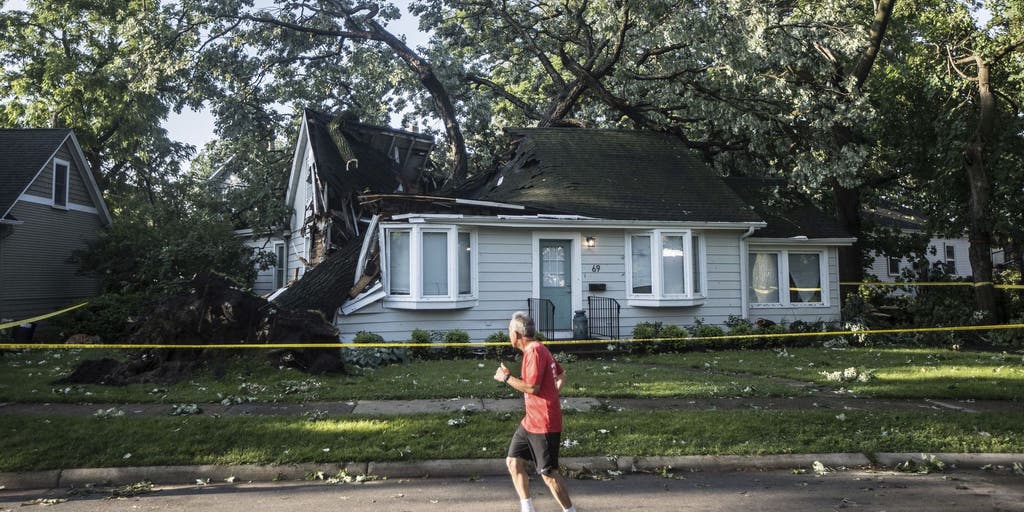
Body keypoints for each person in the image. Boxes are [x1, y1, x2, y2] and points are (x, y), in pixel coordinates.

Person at [494, 311, 576, 512]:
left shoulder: (534, 352)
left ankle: (570, 510)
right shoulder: (538, 349)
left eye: (509, 331)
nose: (508, 335)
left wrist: (505, 378)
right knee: (513, 461)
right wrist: (552, 393)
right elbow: (561, 375)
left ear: (516, 335)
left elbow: (532, 388)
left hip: (544, 422)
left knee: (548, 474)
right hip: (530, 420)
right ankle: (527, 508)